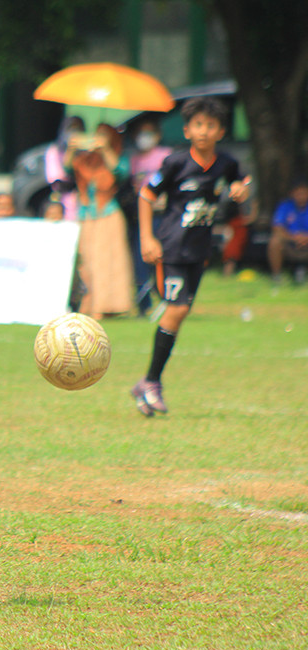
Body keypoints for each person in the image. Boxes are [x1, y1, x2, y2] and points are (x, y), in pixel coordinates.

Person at [131, 97, 250, 416]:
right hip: (170, 249)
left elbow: (241, 179)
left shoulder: (225, 163)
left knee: (179, 315)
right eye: (198, 125)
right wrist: (147, 237)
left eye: (211, 126)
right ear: (187, 130)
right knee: (177, 310)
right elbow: (146, 194)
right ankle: (152, 382)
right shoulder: (175, 163)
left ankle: (147, 383)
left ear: (221, 131)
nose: (204, 131)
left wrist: (241, 189)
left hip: (198, 251)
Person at [68, 122, 134, 320]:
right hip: (86, 216)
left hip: (108, 215)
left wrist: (105, 149)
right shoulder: (84, 160)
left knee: (105, 262)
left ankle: (105, 306)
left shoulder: (117, 158)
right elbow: (67, 167)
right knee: (85, 263)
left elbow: (120, 172)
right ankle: (88, 304)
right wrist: (73, 146)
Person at [126, 119, 173, 313]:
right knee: (141, 259)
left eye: (149, 132)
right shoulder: (134, 159)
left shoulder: (166, 155)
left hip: (164, 214)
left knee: (165, 258)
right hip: (143, 216)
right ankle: (143, 304)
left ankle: (167, 299)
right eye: (141, 133)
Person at [267, 177, 308, 284]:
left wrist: (305, 238)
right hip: (290, 242)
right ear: (292, 193)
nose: (301, 195)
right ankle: (277, 277)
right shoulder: (285, 206)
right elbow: (277, 228)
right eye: (298, 192)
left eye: (303, 192)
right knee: (275, 241)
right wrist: (294, 238)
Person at [44, 116, 85, 220]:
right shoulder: (54, 151)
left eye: (78, 128)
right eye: (71, 128)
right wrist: (70, 150)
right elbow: (58, 177)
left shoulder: (85, 152)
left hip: (83, 200)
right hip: (63, 199)